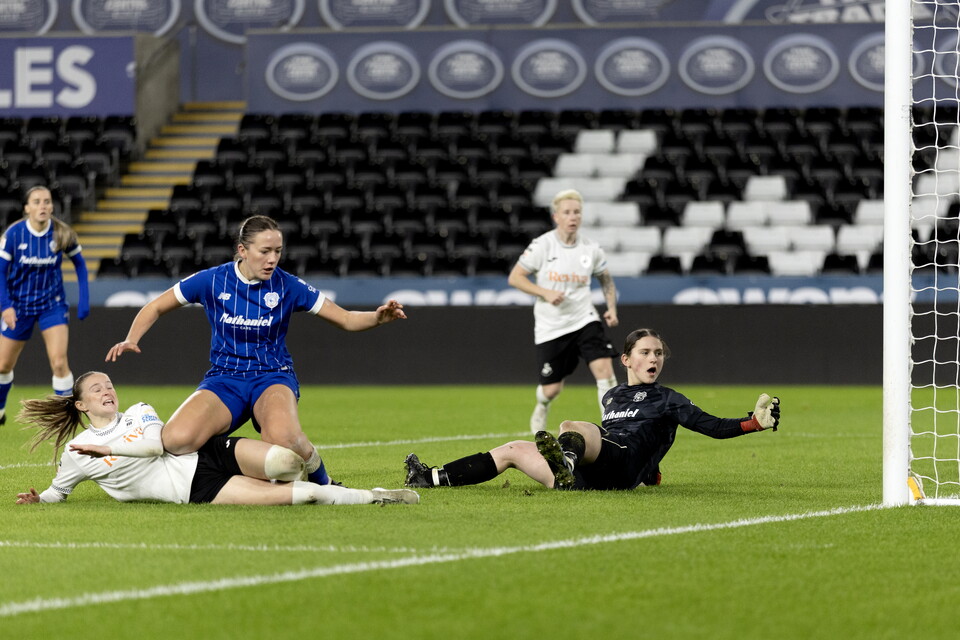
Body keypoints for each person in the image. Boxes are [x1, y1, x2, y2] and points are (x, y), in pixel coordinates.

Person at [104, 214, 406, 485]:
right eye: (265, 251)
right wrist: (132, 338)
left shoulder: (288, 286)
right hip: (225, 378)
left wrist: (378, 318)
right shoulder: (212, 281)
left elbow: (346, 319)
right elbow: (156, 306)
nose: (272, 259)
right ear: (243, 250)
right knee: (177, 440)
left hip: (272, 376)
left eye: (278, 251)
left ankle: (321, 478)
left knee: (284, 439)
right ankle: (229, 462)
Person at [403, 328, 781, 491]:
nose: (654, 359)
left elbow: (712, 427)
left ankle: (563, 465)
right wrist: (655, 474)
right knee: (514, 449)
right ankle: (431, 479)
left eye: (659, 353)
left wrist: (755, 423)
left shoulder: (669, 398)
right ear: (627, 359)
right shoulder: (613, 396)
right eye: (646, 353)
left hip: (620, 466)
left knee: (573, 424)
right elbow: (649, 446)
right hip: (593, 474)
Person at [15, 371, 418, 506]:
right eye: (98, 389)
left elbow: (158, 446)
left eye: (109, 384)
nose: (108, 391)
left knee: (285, 462)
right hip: (196, 488)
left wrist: (109, 447)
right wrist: (40, 499)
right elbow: (58, 491)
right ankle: (374, 496)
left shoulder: (138, 411)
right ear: (82, 406)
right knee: (306, 497)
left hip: (208, 451)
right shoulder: (76, 452)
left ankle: (326, 482)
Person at [507, 188, 619, 433]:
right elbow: (515, 278)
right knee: (551, 389)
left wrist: (611, 308)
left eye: (577, 212)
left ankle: (613, 427)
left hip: (584, 319)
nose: (573, 217)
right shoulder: (542, 246)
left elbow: (606, 280)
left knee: (604, 369)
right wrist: (544, 292)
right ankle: (542, 405)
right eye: (567, 212)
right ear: (556, 216)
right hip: (552, 325)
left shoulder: (591, 248)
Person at [0, 185, 90, 426]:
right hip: (18, 307)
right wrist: (5, 305)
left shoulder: (62, 233)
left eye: (47, 202)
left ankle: (64, 418)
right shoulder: (14, 234)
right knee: (2, 365)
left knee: (59, 361)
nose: (43, 206)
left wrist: (84, 300)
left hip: (52, 305)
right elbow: (0, 271)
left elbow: (80, 265)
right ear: (27, 208)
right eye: (37, 202)